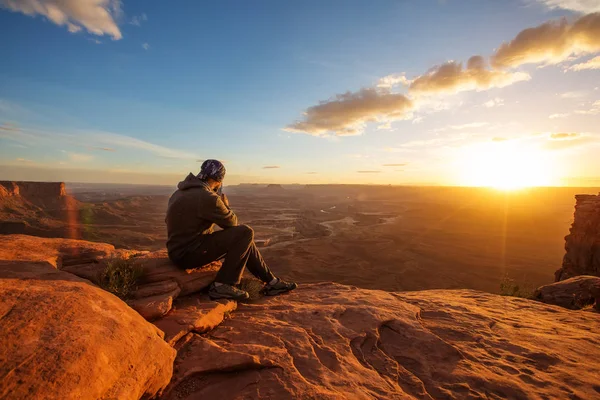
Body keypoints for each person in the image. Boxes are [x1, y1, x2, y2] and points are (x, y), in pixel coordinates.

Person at [166, 159, 297, 300]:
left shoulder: (179, 193)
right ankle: (223, 285)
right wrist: (224, 204)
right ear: (218, 179)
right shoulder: (207, 197)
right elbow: (232, 223)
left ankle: (272, 282)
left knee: (244, 237)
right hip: (189, 254)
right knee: (245, 232)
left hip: (177, 250)